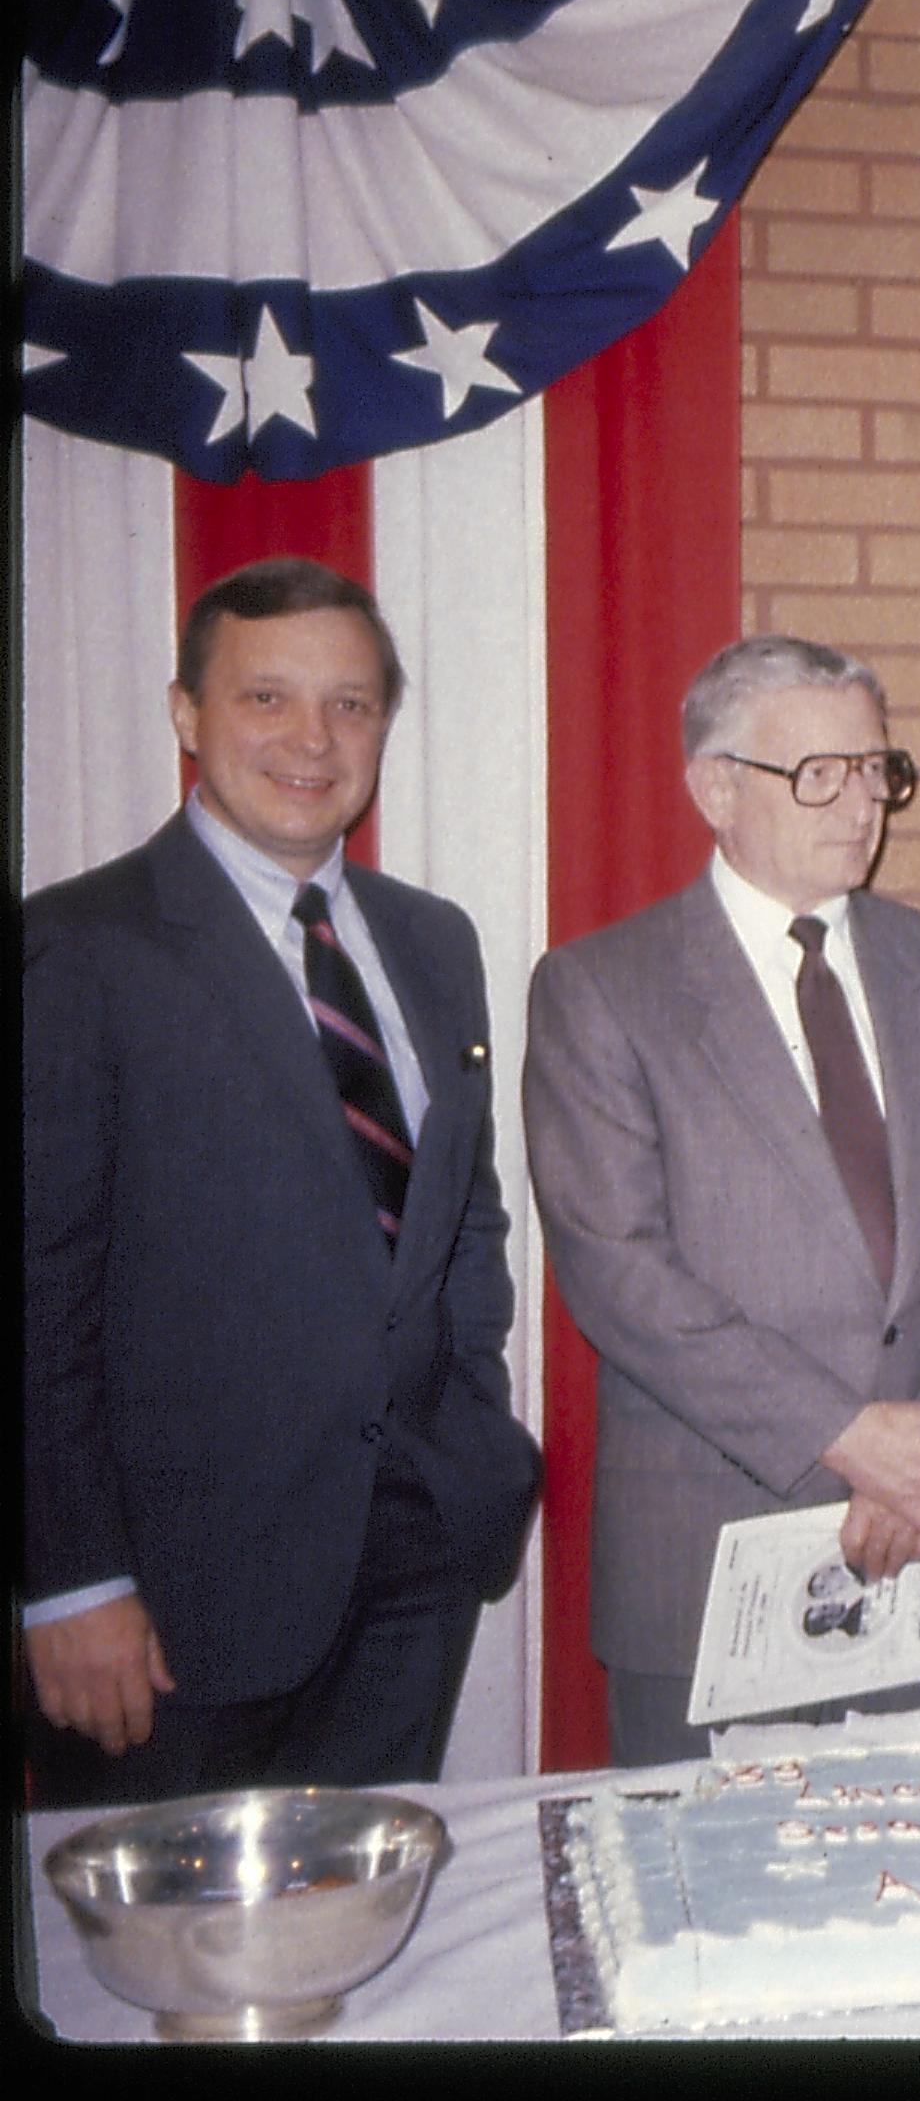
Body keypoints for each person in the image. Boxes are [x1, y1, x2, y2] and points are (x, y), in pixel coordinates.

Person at [21, 558, 542, 1806]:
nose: (313, 739)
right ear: (187, 715)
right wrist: (71, 1581)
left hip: (415, 1553)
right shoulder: (75, 949)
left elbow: (460, 1213)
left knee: (358, 1948)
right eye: (267, 699)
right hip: (172, 1607)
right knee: (167, 1982)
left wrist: (474, 1406)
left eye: (351, 705)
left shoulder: (432, 939)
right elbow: (34, 1297)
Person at [523, 636, 920, 1764]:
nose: (862, 805)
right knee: (706, 1905)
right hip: (709, 1551)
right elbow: (617, 1269)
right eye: (822, 772)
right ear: (716, 787)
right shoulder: (603, 990)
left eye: (877, 770)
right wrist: (848, 1440)